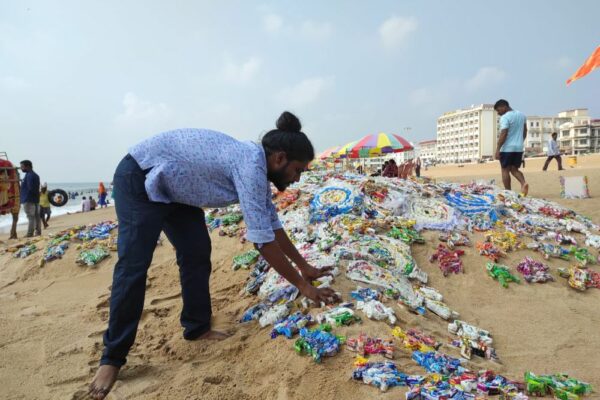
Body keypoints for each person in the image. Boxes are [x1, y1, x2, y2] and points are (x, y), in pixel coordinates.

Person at [88, 111, 337, 399]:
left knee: (196, 252)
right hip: (140, 177)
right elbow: (262, 242)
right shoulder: (249, 166)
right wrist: (303, 287)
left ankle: (196, 327)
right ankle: (112, 359)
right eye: (298, 170)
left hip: (176, 190)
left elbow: (271, 224)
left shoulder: (256, 165)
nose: (297, 178)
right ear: (279, 159)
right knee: (134, 265)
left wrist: (304, 267)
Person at [493, 99, 529, 196]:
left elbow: (503, 133)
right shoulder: (522, 115)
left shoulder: (505, 117)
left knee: (505, 170)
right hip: (518, 148)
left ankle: (508, 192)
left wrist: (497, 149)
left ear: (503, 107)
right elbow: (525, 131)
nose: (498, 113)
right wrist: (520, 142)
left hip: (507, 148)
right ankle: (523, 183)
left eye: (498, 111)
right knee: (514, 169)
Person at [19, 160, 41, 237]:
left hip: (28, 199)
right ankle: (38, 232)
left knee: (30, 217)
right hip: (35, 199)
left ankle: (29, 233)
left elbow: (31, 188)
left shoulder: (29, 175)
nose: (21, 168)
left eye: (22, 167)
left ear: (27, 166)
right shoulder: (35, 175)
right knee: (36, 216)